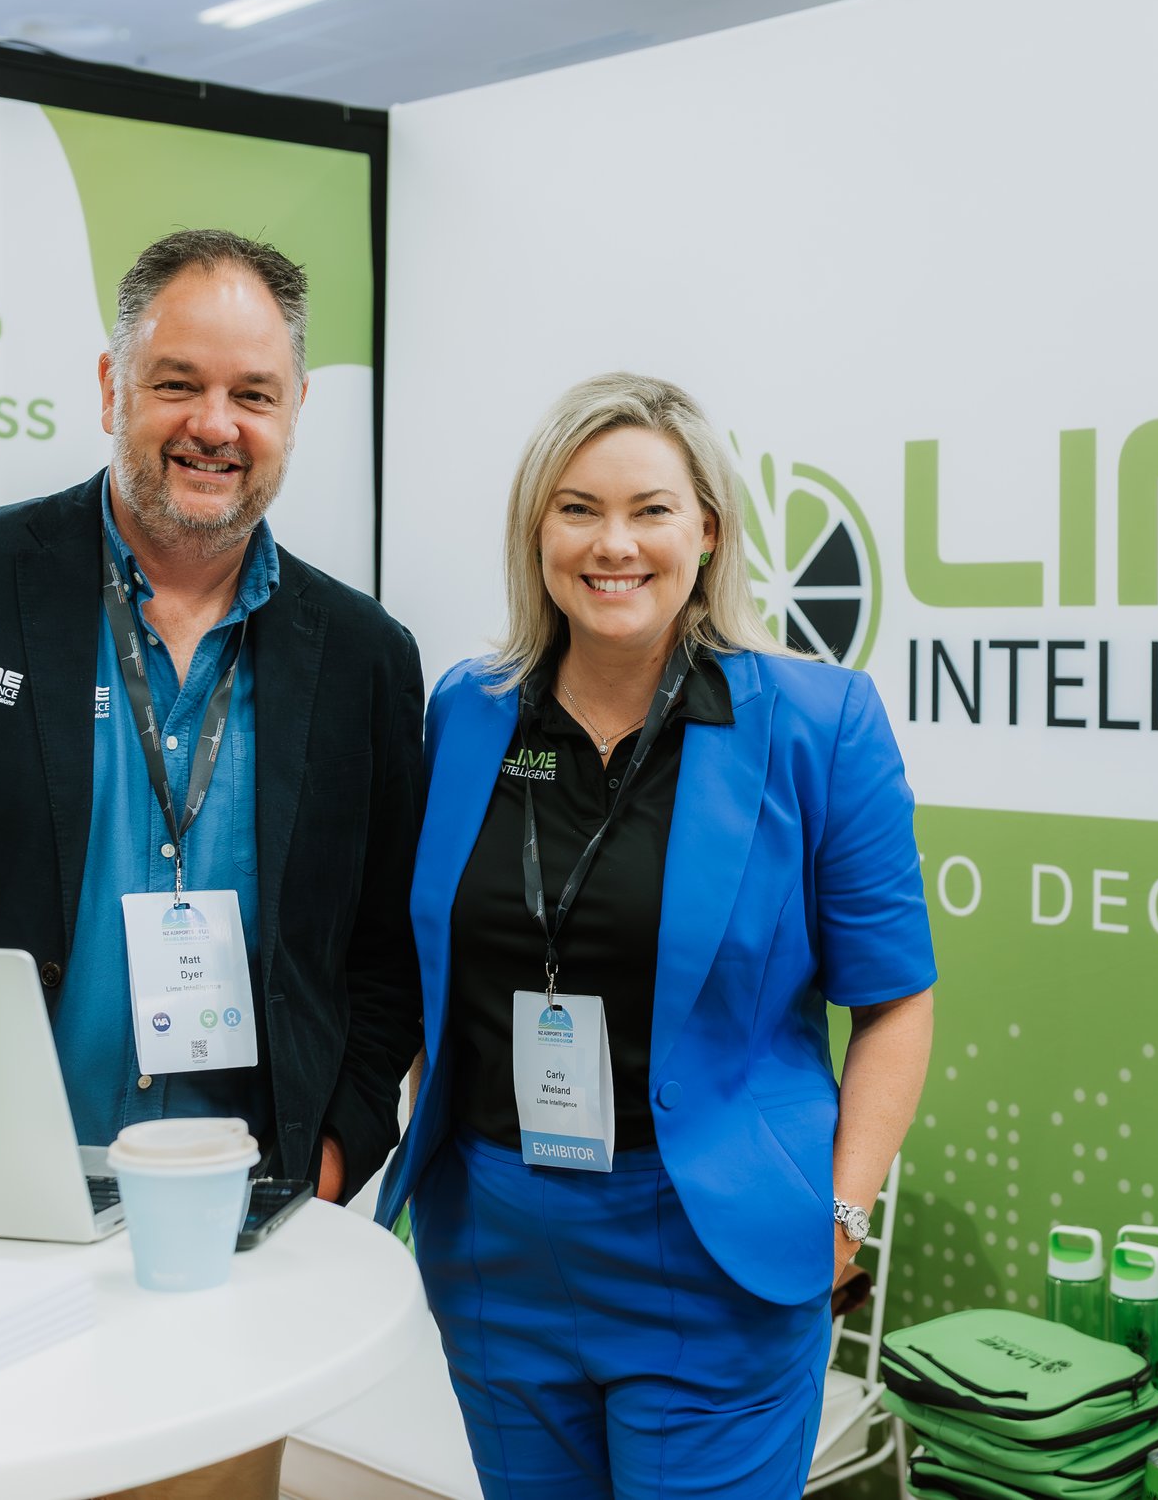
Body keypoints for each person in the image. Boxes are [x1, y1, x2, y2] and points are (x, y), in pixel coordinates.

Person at [0, 229, 424, 1500]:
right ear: (112, 384)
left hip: (230, 1237)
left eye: (252, 392)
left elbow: (384, 951)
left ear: (294, 410)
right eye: (177, 382)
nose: (213, 424)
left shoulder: (365, 655)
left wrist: (324, 1160)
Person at [375, 373, 937, 1498]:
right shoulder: (469, 710)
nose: (613, 543)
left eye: (651, 509)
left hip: (711, 1250)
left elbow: (894, 1000)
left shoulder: (818, 724)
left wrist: (844, 1206)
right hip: (495, 1246)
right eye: (578, 508)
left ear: (708, 530)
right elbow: (432, 965)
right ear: (536, 530)